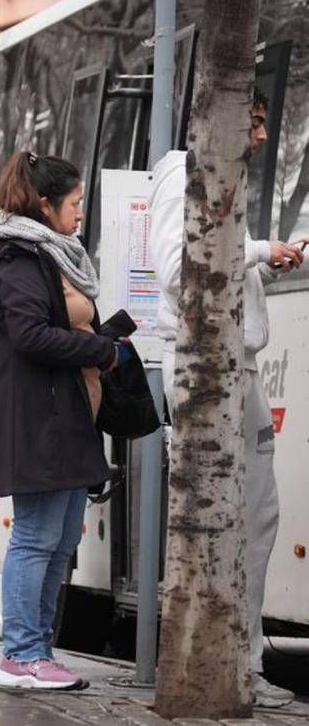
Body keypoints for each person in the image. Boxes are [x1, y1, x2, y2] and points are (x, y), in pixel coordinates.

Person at [149, 94, 300, 709]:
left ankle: (241, 660)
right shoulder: (186, 176)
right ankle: (229, 667)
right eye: (256, 122)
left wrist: (264, 266)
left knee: (254, 517)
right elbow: (175, 269)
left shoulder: (215, 176)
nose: (262, 137)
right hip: (211, 370)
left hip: (235, 366)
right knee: (228, 521)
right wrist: (262, 251)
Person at [0, 152, 124, 691]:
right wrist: (102, 351)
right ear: (45, 205)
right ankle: (20, 655)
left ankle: (38, 650)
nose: (81, 213)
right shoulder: (16, 261)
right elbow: (30, 335)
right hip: (34, 421)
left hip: (64, 417)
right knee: (36, 539)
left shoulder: (51, 256)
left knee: (59, 543)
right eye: (75, 203)